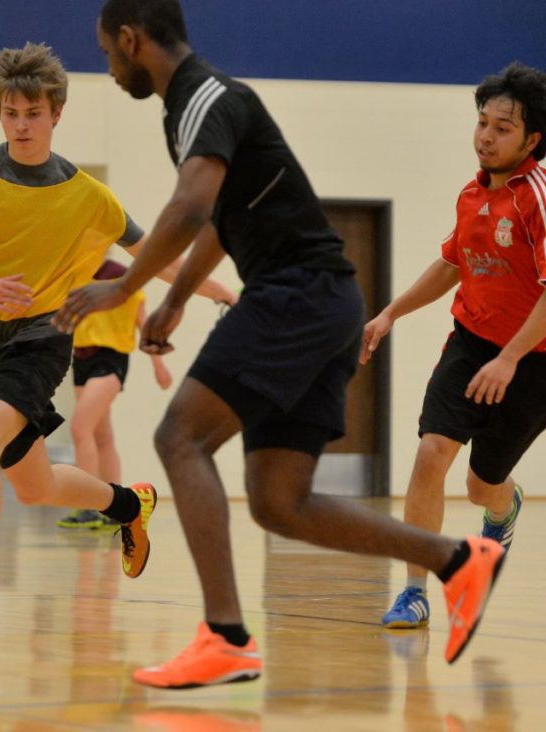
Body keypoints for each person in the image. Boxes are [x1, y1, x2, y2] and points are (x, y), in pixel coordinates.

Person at [54, 0, 506, 688]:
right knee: (277, 501)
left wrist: (123, 288)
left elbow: (191, 206)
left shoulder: (207, 97)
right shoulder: (195, 109)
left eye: (109, 53)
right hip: (323, 303)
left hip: (297, 293)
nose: (110, 68)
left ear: (129, 38)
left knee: (179, 438)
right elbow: (221, 221)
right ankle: (456, 561)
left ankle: (226, 638)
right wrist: (174, 300)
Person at [0, 42, 162, 637]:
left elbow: (152, 255)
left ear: (56, 114)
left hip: (42, 339)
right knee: (37, 486)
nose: (21, 125)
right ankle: (130, 505)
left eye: (34, 114)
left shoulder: (85, 195)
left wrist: (215, 291)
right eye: (11, 113)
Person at [363, 62, 546, 630]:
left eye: (502, 128)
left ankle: (503, 509)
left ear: (532, 140)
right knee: (430, 454)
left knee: (481, 486)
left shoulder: (537, 198)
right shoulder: (472, 193)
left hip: (532, 363)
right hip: (469, 345)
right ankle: (415, 591)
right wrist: (392, 312)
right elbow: (451, 263)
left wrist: (510, 357)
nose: (486, 136)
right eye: (482, 123)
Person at [57, 258, 235, 529]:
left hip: (110, 359)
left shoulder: (123, 280)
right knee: (102, 435)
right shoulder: (73, 276)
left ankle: (88, 507)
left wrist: (158, 365)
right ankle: (115, 507)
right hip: (81, 358)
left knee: (81, 428)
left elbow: (143, 326)